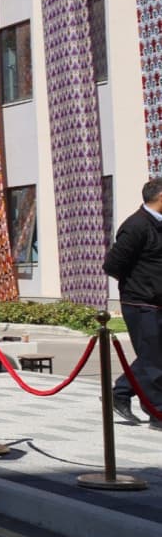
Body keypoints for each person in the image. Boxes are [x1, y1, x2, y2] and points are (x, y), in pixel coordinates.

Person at [106, 178, 162, 427]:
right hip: (141, 303)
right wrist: (140, 286)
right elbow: (112, 265)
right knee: (153, 361)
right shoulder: (136, 226)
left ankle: (120, 393)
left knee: (154, 355)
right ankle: (157, 412)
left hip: (157, 302)